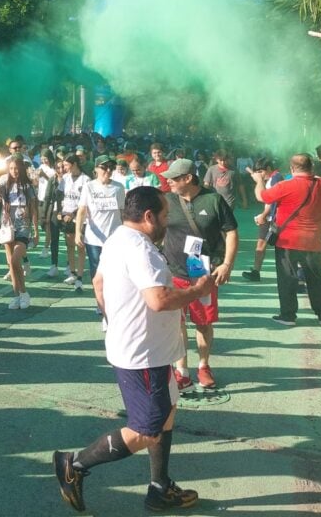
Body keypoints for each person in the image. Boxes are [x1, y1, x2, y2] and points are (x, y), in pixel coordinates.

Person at [52, 186, 214, 513]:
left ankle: (160, 486)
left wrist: (113, 320)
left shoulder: (117, 238)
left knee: (166, 413)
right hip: (142, 355)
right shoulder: (140, 248)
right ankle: (74, 464)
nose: (168, 222)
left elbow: (99, 283)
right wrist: (198, 290)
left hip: (152, 350)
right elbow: (158, 300)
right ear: (149, 216)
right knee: (146, 429)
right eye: (165, 215)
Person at [162, 158, 237, 391]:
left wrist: (226, 264)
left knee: (203, 322)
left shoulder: (214, 200)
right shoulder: (166, 200)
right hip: (173, 271)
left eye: (174, 178)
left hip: (204, 272)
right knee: (176, 322)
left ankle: (204, 366)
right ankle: (181, 370)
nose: (169, 182)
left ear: (188, 178)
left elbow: (232, 232)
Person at [253, 154, 321, 326]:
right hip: (313, 240)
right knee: (315, 279)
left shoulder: (286, 185)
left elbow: (263, 197)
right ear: (311, 167)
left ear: (292, 169)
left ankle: (288, 315)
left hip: (287, 241)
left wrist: (258, 180)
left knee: (287, 278)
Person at [0, 154, 38, 310]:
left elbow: (33, 209)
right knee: (11, 264)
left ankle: (24, 293)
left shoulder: (28, 186)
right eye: (11, 168)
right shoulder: (4, 183)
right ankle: (17, 295)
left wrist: (36, 231)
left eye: (16, 168)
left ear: (22, 168)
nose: (14, 171)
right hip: (8, 226)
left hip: (23, 226)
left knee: (16, 260)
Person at [75, 155, 126, 308]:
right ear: (96, 169)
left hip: (114, 238)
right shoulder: (89, 186)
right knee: (97, 271)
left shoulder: (118, 187)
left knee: (115, 271)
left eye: (111, 167)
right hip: (94, 239)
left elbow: (123, 212)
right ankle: (100, 302)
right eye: (104, 167)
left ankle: (112, 300)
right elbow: (82, 210)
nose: (108, 171)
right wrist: (78, 232)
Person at [242, 158, 282, 282]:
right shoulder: (272, 179)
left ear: (269, 169)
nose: (260, 174)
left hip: (273, 218)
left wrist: (263, 215)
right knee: (260, 244)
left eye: (261, 171)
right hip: (270, 216)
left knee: (278, 247)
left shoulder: (275, 179)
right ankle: (256, 271)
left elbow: (269, 199)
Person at [59, 155, 90, 289]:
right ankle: (72, 272)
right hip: (66, 216)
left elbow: (85, 202)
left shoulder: (86, 179)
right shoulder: (65, 178)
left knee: (80, 247)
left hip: (80, 218)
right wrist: (60, 212)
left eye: (66, 165)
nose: (64, 168)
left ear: (75, 164)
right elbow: (59, 195)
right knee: (69, 245)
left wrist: (73, 214)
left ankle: (80, 277)